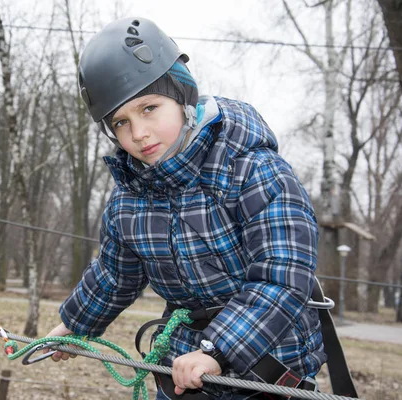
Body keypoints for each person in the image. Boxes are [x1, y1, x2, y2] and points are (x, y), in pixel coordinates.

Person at [46, 16, 326, 399]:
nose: (138, 134)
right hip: (184, 370)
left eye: (149, 109)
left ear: (182, 96)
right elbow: (115, 276)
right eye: (121, 122)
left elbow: (283, 274)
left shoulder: (252, 171)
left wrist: (217, 349)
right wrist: (74, 324)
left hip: (269, 370)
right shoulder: (130, 200)